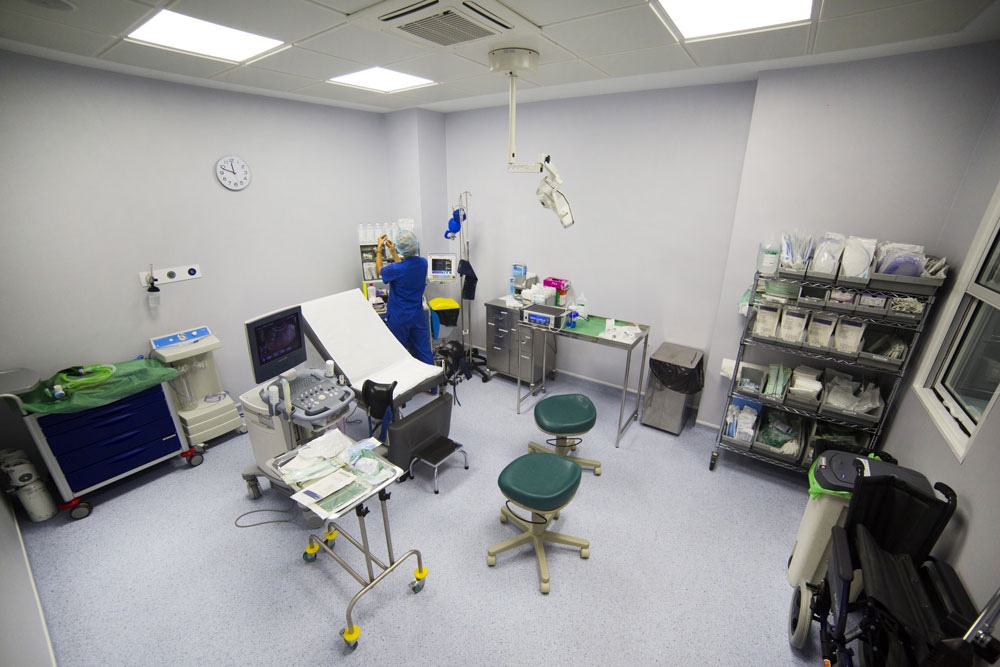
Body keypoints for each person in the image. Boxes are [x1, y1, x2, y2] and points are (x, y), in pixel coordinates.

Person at [376, 230, 434, 365]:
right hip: (417, 315)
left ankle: (401, 378)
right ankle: (432, 379)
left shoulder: (396, 269)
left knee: (398, 353)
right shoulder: (423, 263)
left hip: (399, 317)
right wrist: (393, 252)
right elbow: (405, 268)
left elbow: (379, 270)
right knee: (424, 352)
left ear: (400, 247)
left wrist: (379, 249)